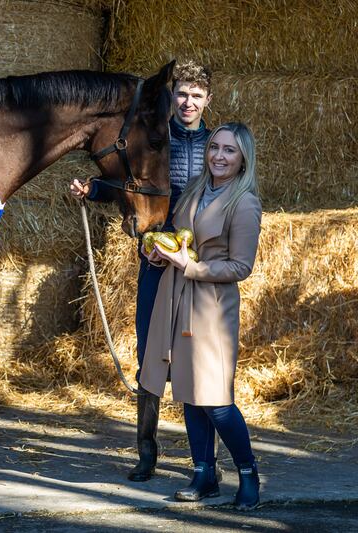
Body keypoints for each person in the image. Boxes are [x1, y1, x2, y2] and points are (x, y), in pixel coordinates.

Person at [71, 60, 213, 481]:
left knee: (197, 362)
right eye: (182, 94)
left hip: (195, 263)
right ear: (172, 98)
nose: (188, 103)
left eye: (196, 96)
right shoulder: (153, 137)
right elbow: (129, 181)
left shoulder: (216, 146)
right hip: (154, 259)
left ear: (208, 100)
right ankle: (146, 453)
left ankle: (204, 460)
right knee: (150, 357)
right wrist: (94, 189)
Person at [140, 122, 262, 511]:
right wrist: (159, 252)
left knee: (217, 400)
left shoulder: (244, 202)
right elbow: (180, 237)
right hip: (177, 298)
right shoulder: (195, 189)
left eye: (229, 151)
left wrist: (189, 267)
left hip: (211, 307)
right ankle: (204, 473)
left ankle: (247, 473)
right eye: (214, 148)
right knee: (190, 394)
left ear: (243, 159)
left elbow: (241, 267)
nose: (219, 156)